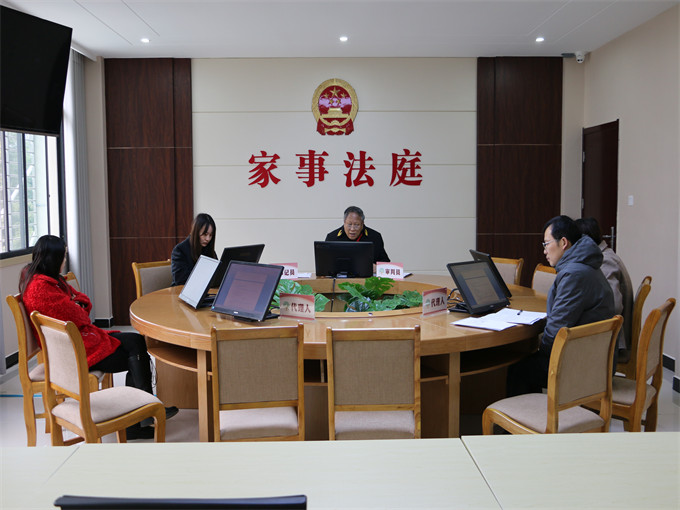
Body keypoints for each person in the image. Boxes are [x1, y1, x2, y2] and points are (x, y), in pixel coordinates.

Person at [20, 235, 178, 440]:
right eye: (63, 256)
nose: (65, 261)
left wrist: (76, 304)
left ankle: (141, 416)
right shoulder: (42, 289)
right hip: (74, 353)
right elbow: (80, 315)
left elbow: (81, 302)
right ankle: (142, 416)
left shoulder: (46, 280)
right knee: (135, 353)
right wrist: (76, 304)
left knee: (136, 342)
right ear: (53, 259)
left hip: (78, 342)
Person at [506, 215, 615, 396]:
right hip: (594, 356)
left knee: (519, 369)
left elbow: (557, 327)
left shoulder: (575, 274)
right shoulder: (584, 265)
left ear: (563, 243)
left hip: (584, 363)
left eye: (546, 244)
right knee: (529, 362)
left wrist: (539, 349)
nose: (544, 251)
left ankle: (532, 413)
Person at [576, 217, 634, 355]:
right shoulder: (604, 255)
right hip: (607, 335)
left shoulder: (604, 261)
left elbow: (612, 306)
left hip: (611, 342)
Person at [325, 206, 390, 264]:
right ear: (344, 222)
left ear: (362, 224)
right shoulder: (332, 238)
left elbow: (385, 262)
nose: (352, 229)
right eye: (349, 224)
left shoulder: (375, 237)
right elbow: (324, 263)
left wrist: (377, 267)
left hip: (367, 274)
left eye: (356, 225)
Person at [171, 213, 217, 286]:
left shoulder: (209, 250)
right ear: (196, 232)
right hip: (182, 290)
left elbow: (217, 274)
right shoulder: (180, 250)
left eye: (210, 235)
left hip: (205, 289)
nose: (208, 239)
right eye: (205, 234)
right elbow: (181, 280)